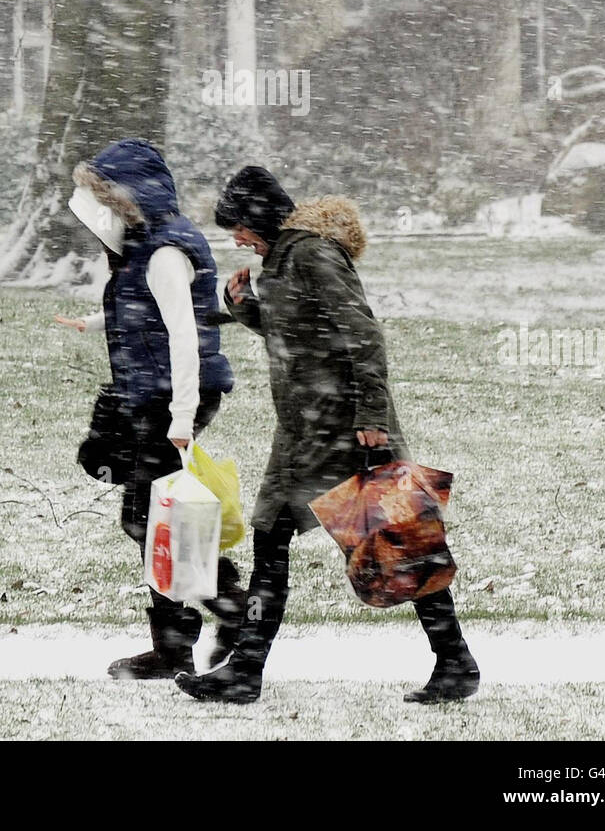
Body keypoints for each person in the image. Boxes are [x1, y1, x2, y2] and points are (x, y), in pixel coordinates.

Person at [176, 165, 480, 705]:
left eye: (239, 228)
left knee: (395, 543)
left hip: (343, 431)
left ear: (260, 218)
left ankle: (454, 660)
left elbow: (363, 336)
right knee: (285, 537)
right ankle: (247, 668)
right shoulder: (284, 259)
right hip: (302, 434)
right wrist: (246, 309)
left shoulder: (312, 253)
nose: (237, 240)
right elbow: (300, 332)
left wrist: (372, 418)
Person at [56, 138, 244, 679]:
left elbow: (184, 335)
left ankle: (211, 621)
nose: (107, 208)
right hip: (155, 392)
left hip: (173, 396)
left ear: (137, 193)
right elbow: (150, 312)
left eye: (110, 195)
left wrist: (182, 420)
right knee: (156, 517)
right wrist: (94, 322)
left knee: (151, 517)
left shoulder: (164, 251)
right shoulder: (144, 242)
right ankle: (204, 623)